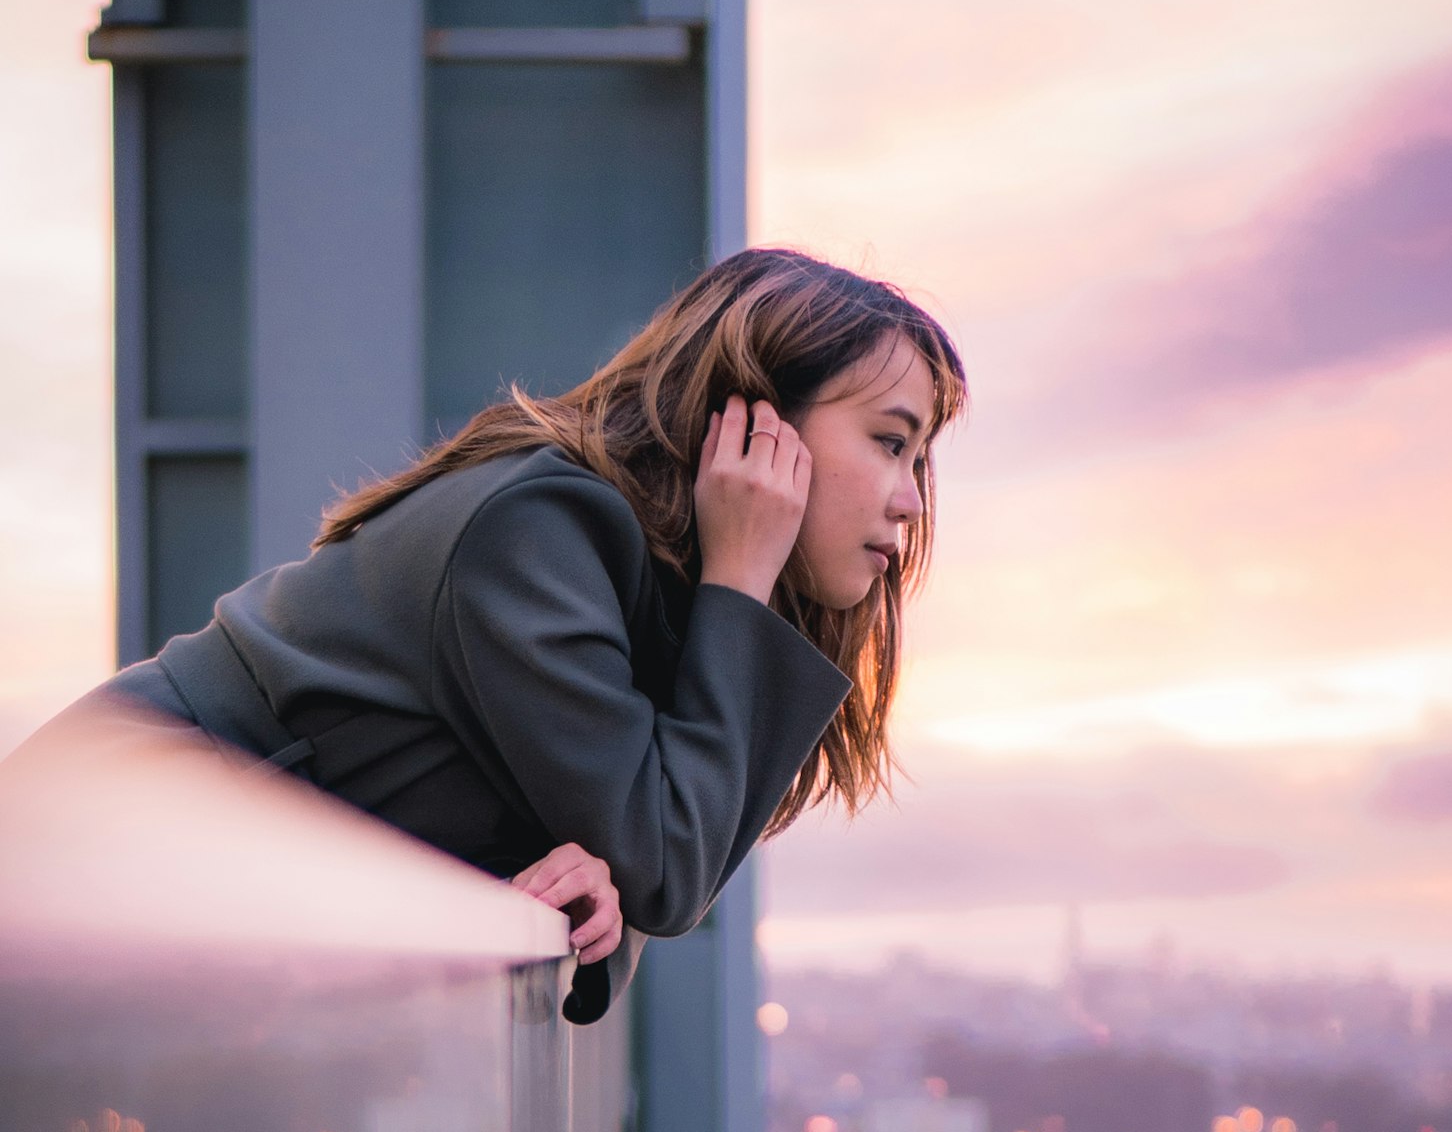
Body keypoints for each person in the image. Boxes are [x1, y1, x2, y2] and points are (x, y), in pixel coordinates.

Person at [20, 249, 966, 1021]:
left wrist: (599, 894)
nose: (907, 500)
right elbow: (671, 868)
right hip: (76, 873)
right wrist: (742, 580)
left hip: (177, 940)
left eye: (918, 457)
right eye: (889, 441)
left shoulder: (640, 585)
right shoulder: (542, 530)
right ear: (753, 424)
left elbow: (649, 877)